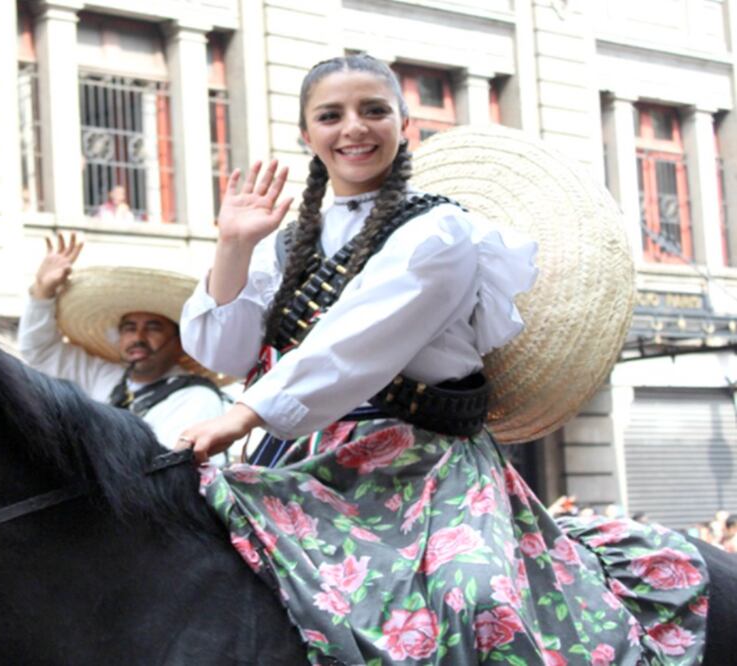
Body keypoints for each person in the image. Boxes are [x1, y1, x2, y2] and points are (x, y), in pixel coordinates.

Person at [176, 54, 708, 664]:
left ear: (404, 125)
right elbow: (224, 351)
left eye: (373, 110)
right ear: (307, 134)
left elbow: (356, 339)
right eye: (331, 115)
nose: (354, 127)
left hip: (424, 467)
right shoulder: (290, 242)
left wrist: (242, 415)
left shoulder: (440, 232)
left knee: (475, 598)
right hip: (298, 460)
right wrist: (233, 245)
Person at [17, 232, 226, 454]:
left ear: (180, 342)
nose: (138, 337)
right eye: (129, 328)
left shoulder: (196, 398)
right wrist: (43, 291)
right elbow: (40, 351)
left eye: (153, 327)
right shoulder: (102, 375)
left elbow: (171, 468)